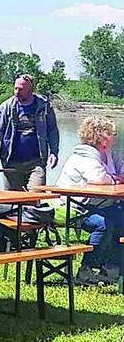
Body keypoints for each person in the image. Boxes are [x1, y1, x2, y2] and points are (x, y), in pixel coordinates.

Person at [55, 116, 124, 285]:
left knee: (120, 218)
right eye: (112, 133)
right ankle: (86, 270)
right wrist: (115, 179)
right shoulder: (84, 155)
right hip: (75, 208)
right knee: (102, 224)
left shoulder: (109, 154)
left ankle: (111, 268)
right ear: (102, 137)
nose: (114, 136)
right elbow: (98, 178)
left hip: (98, 205)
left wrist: (114, 177)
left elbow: (121, 171)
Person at [0, 74, 59, 190]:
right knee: (11, 202)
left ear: (31, 90)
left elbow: (52, 131)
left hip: (36, 162)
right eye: (15, 88)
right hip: (11, 162)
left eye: (21, 89)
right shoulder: (6, 107)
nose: (17, 92)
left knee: (34, 198)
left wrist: (54, 152)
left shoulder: (44, 106)